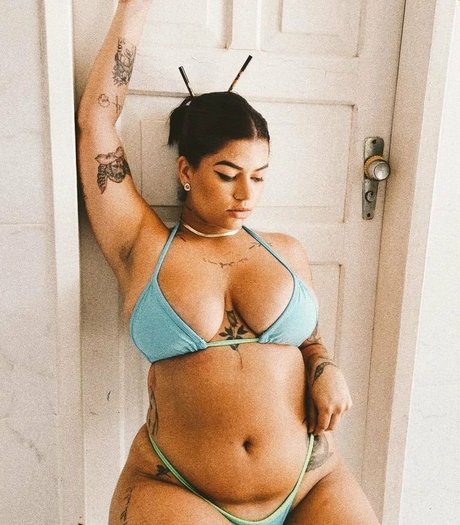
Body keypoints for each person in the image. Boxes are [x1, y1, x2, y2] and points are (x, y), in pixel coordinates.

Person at [77, 1, 380, 523]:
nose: (246, 194)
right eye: (226, 174)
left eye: (259, 176)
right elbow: (96, 121)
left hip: (311, 482)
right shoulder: (141, 245)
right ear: (186, 171)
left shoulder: (286, 252)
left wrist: (325, 367)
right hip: (178, 489)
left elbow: (309, 340)